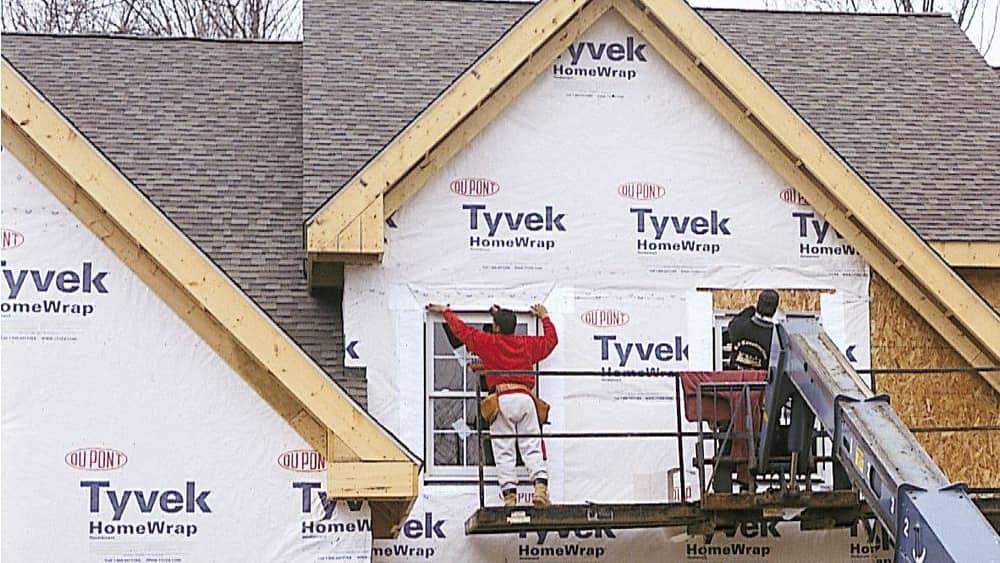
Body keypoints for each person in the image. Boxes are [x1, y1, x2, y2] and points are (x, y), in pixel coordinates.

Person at [426, 302, 558, 508]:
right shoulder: (525, 343)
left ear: (496, 327)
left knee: (503, 449)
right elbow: (551, 341)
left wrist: (446, 312)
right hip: (525, 398)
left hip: (502, 398)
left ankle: (509, 496)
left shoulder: (489, 343)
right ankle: (540, 488)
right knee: (531, 445)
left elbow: (463, 332)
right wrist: (545, 317)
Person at [726, 290, 780, 371]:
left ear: (758, 304)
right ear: (775, 310)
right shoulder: (775, 338)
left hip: (734, 381)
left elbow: (734, 322)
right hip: (759, 383)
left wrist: (751, 309)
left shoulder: (738, 326)